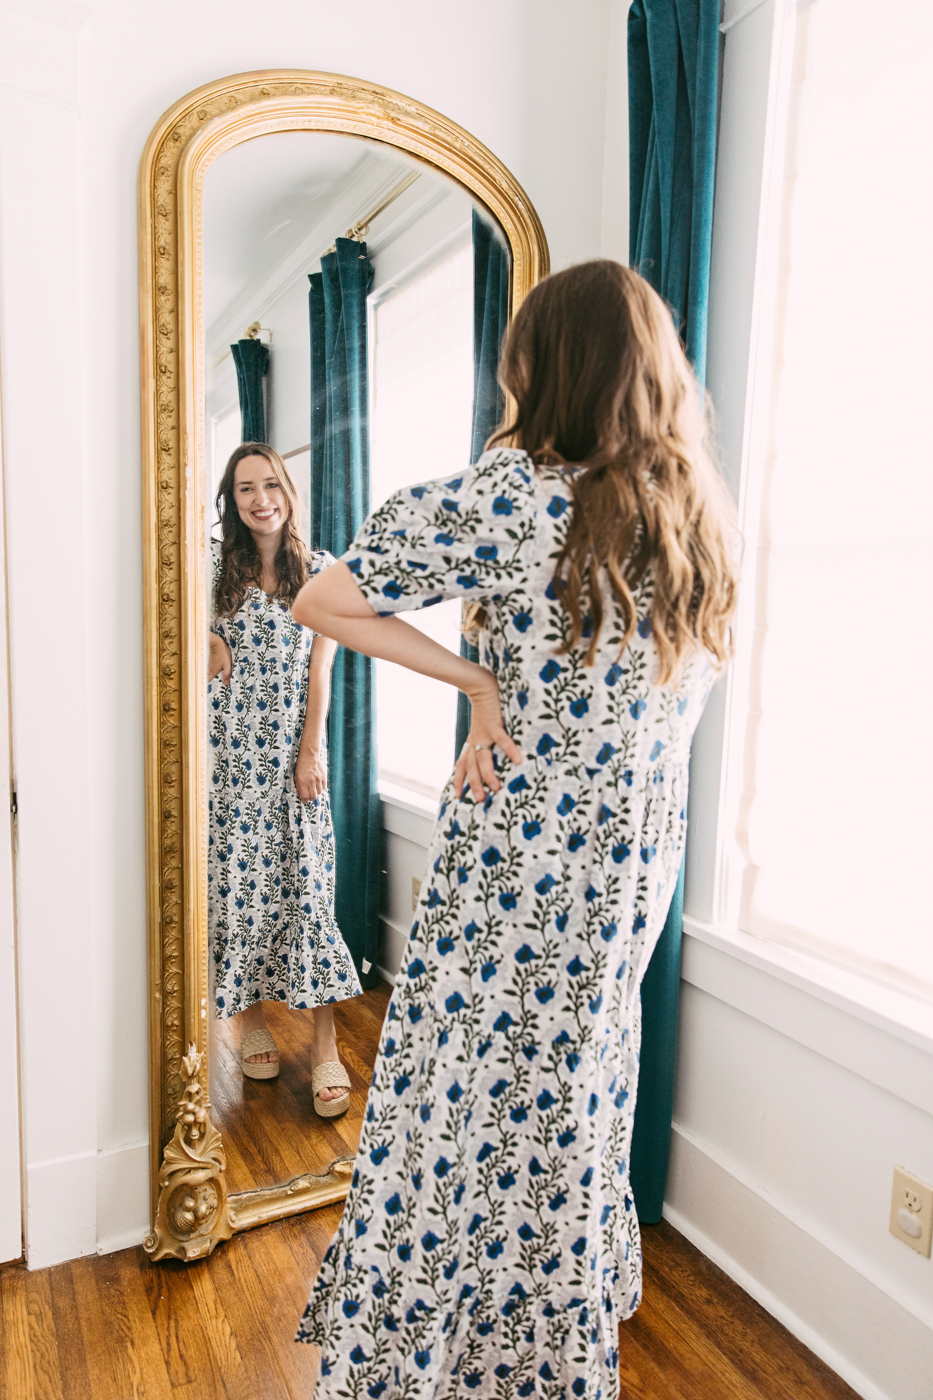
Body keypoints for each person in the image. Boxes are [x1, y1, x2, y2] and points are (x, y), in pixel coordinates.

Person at [292, 261, 738, 1394]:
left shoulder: (522, 494)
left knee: (456, 1103)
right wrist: (492, 680)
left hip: (517, 868)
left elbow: (324, 596)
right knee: (563, 1119)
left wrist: (477, 685)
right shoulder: (696, 519)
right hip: (624, 886)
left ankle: (433, 1354)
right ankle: (535, 1356)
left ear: (551, 366)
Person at [208, 442, 361, 1115]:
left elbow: (320, 670)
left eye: (269, 484)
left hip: (293, 759)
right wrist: (209, 640)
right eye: (244, 489)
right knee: (240, 898)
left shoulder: (321, 571)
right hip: (231, 760)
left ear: (289, 492)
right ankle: (249, 1024)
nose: (259, 499)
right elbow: (185, 639)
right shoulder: (212, 569)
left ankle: (326, 1045)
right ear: (231, 501)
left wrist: (310, 753)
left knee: (309, 895)